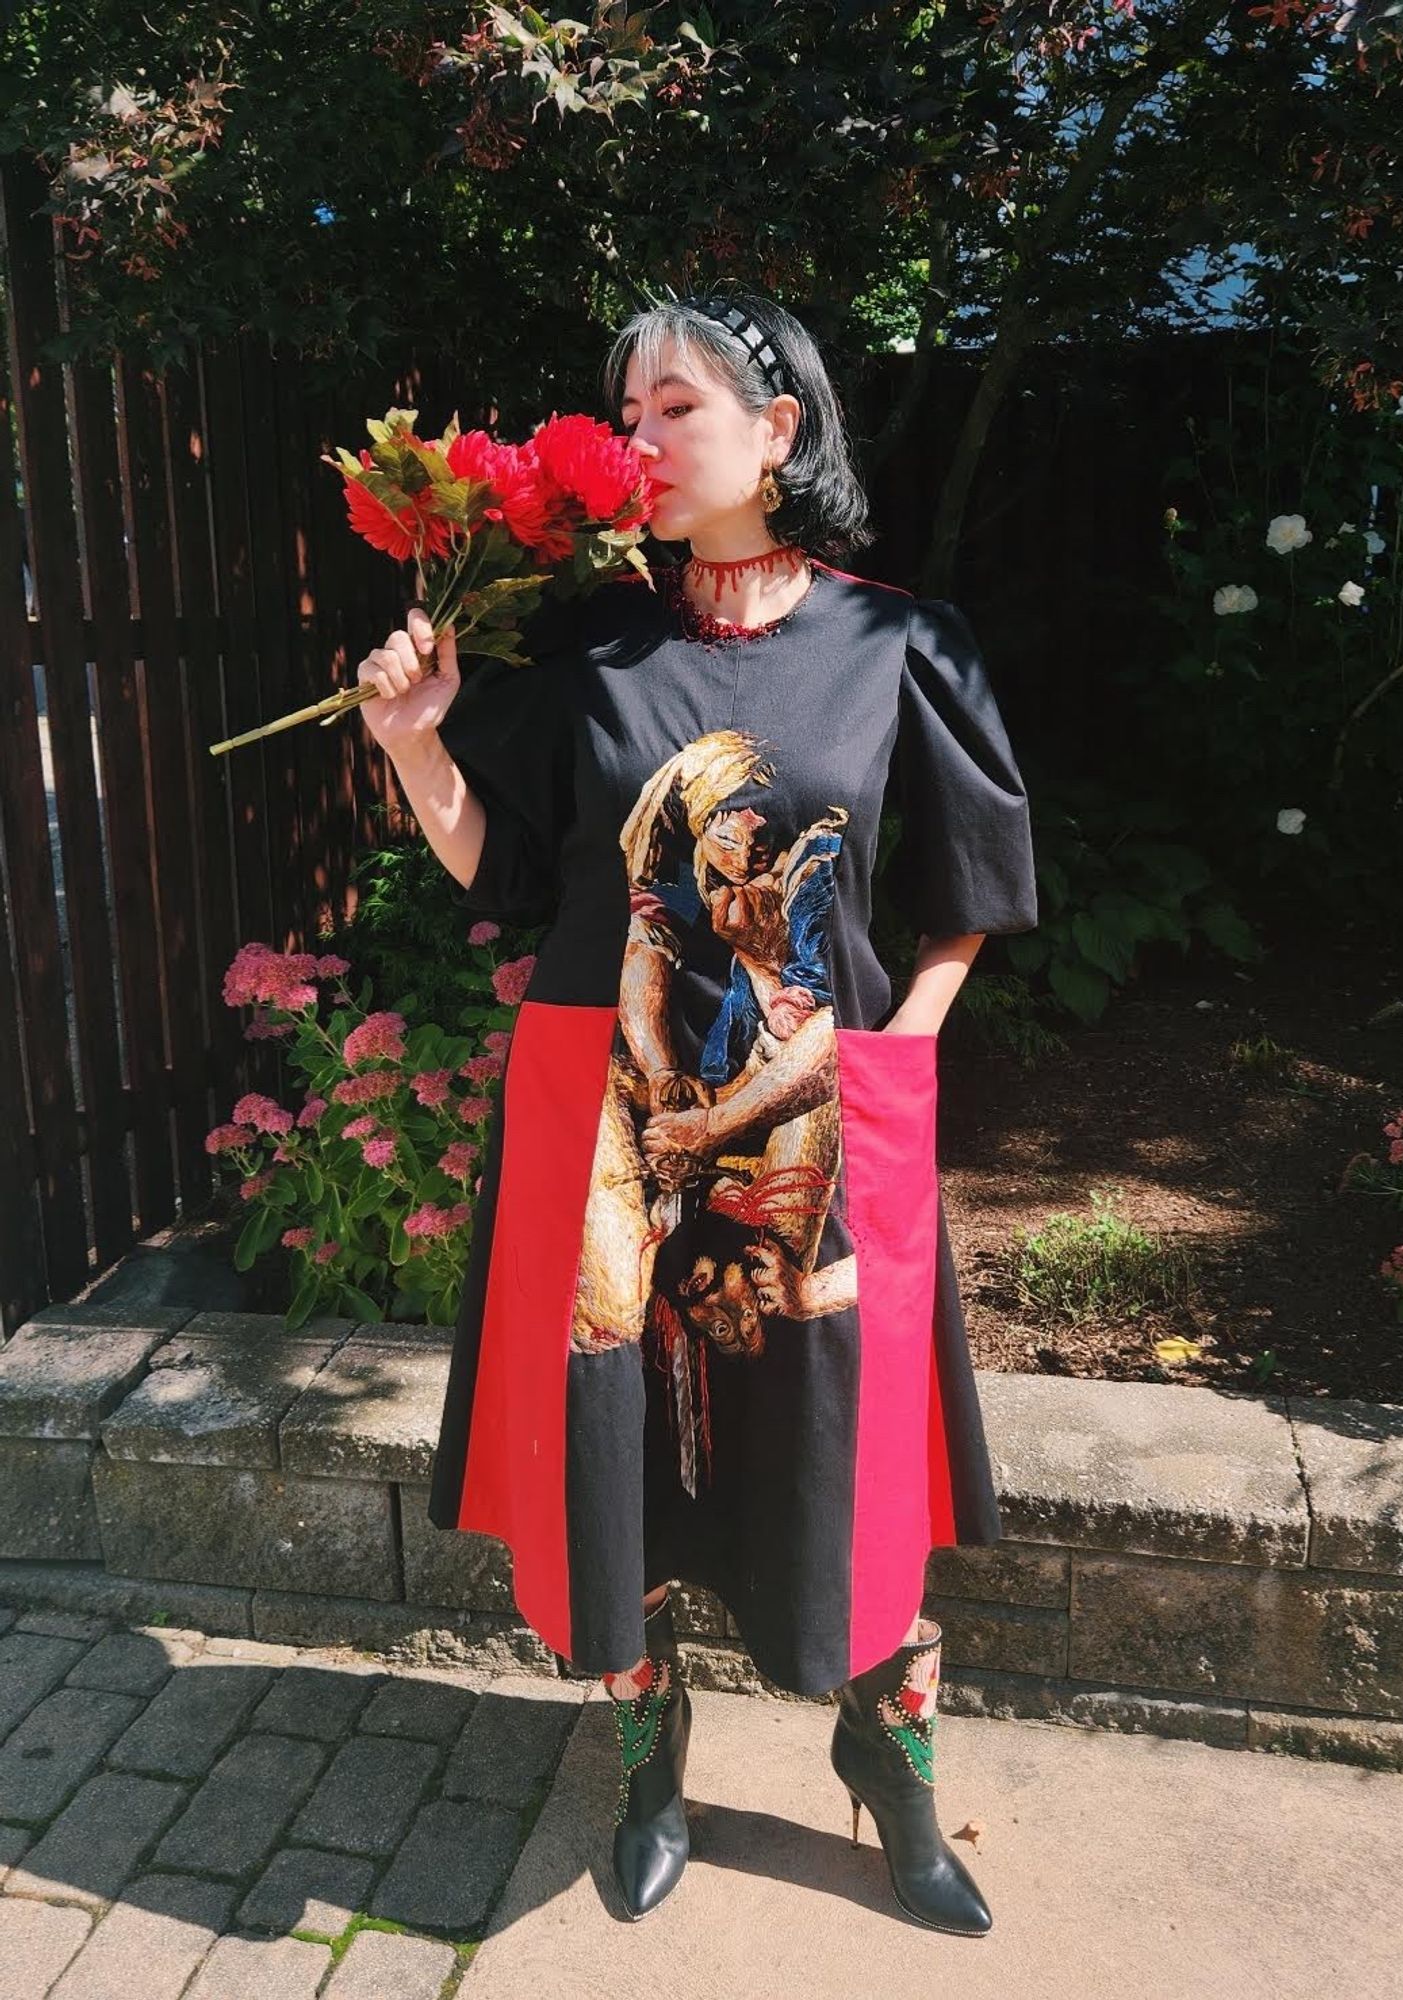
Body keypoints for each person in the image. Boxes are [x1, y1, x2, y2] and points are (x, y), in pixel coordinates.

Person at [354, 291, 1038, 1934]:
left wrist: (896, 1066)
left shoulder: (897, 646)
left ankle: (889, 1766)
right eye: (628, 412)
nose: (642, 442)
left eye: (675, 408)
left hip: (819, 1123)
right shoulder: (584, 647)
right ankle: (647, 1764)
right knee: (623, 1452)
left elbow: (962, 900)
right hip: (602, 1128)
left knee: (848, 1450)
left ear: (779, 429)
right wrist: (410, 747)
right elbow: (511, 880)